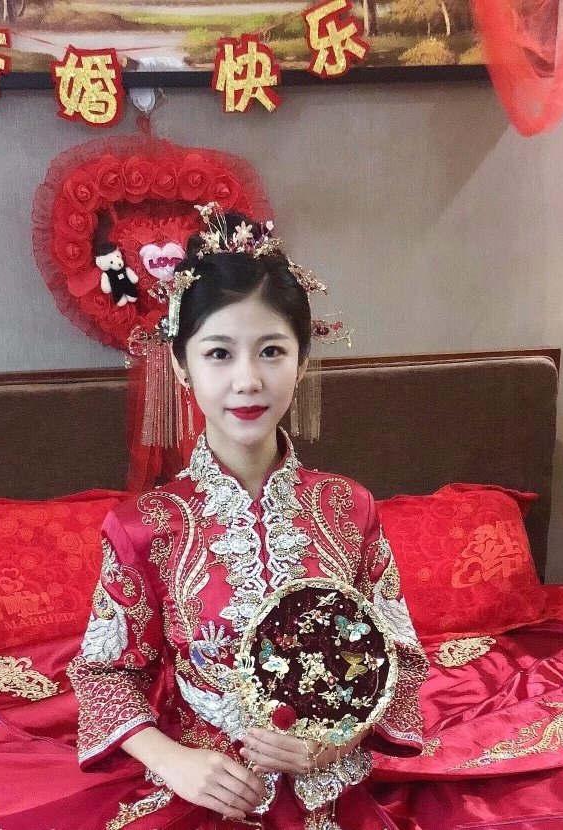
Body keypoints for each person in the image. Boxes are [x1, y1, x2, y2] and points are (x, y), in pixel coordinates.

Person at [68, 206, 429, 830]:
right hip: (204, 792)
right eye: (218, 353)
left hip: (335, 790)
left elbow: (401, 658)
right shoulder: (145, 526)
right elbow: (105, 674)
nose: (247, 380)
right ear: (181, 366)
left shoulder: (350, 508)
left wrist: (337, 739)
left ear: (302, 361)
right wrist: (175, 761)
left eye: (271, 351)